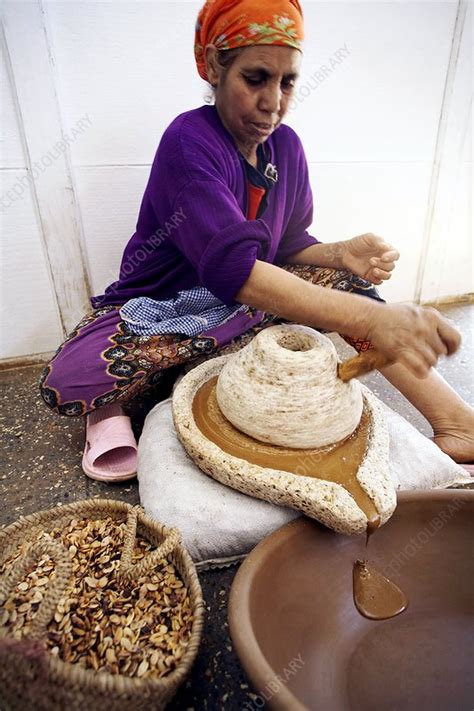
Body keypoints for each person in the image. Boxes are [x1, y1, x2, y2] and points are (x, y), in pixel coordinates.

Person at [39, 0, 474, 481]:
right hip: (164, 309)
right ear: (213, 68)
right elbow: (234, 271)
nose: (273, 101)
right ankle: (134, 399)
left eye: (287, 82)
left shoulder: (284, 147)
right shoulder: (189, 142)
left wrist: (338, 253)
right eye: (256, 78)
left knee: (343, 283)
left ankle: (458, 424)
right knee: (72, 372)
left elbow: (288, 246)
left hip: (238, 311)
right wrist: (376, 318)